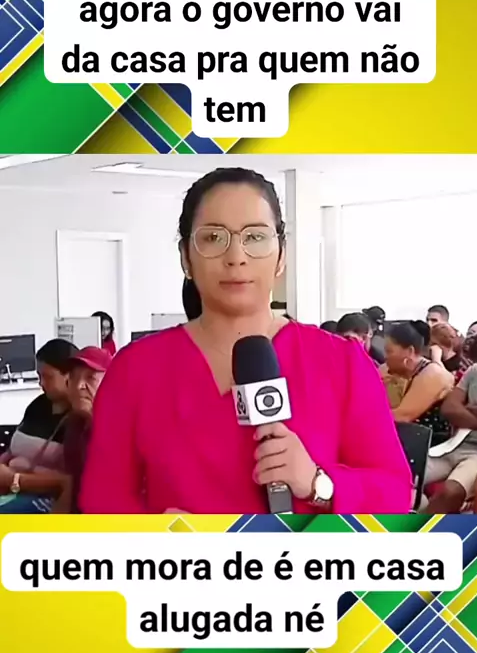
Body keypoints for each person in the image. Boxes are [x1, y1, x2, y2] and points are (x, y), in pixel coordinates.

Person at [79, 168, 411, 516]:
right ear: (185, 257)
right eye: (213, 237)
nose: (236, 256)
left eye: (255, 237)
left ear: (281, 255)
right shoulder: (136, 368)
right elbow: (102, 498)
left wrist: (318, 483)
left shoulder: (342, 362)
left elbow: (394, 493)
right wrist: (153, 533)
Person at [0, 338, 78, 513]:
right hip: (12, 489)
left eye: (48, 377)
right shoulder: (38, 406)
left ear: (69, 376)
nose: (41, 383)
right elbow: (13, 447)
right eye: (39, 376)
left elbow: (67, 481)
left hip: (44, 498)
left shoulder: (76, 419)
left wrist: (14, 479)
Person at [423, 334, 477, 513]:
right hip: (455, 445)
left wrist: (466, 410)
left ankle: (416, 529)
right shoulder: (475, 371)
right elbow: (449, 408)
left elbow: (456, 408)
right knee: (403, 474)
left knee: (450, 492)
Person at [382, 321, 454, 445]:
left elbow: (403, 416)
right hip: (410, 440)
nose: (385, 357)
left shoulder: (432, 374)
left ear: (410, 351)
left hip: (431, 446)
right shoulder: (401, 373)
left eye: (389, 351)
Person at [62, 346, 113, 512]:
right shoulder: (75, 425)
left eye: (90, 377)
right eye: (73, 377)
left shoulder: (124, 432)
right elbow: (73, 485)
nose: (79, 386)